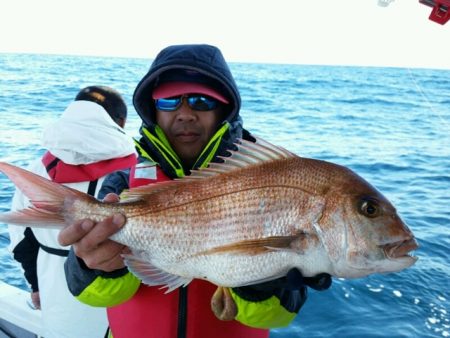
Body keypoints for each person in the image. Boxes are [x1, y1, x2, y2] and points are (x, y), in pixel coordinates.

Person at [58, 44, 332, 338]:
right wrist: (94, 266)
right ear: (153, 111)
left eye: (202, 101)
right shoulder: (123, 186)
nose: (185, 113)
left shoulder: (265, 182)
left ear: (223, 110)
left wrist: (262, 279)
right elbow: (95, 296)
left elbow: (277, 316)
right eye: (169, 101)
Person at [8, 85, 138, 338]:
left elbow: (21, 239)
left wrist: (35, 286)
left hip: (54, 291)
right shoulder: (136, 169)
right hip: (114, 289)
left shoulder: (37, 169)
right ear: (121, 121)